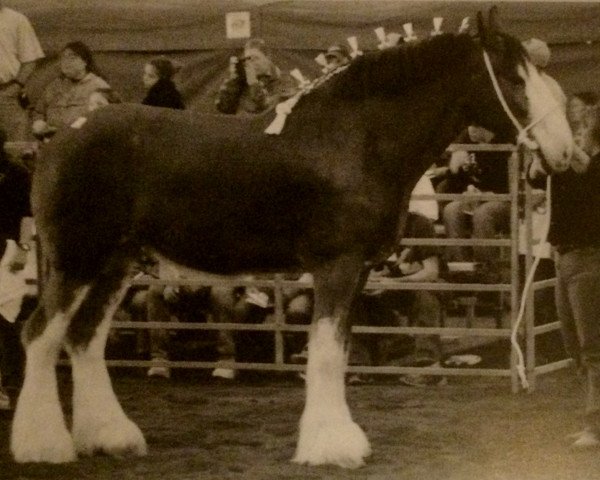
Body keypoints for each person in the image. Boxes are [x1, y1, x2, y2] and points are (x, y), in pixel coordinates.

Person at [528, 93, 600, 448]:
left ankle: (595, 424)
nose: (581, 128)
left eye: (586, 124)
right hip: (565, 257)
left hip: (590, 258)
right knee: (575, 344)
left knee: (592, 346)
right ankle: (593, 420)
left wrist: (557, 142)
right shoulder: (570, 163)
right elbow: (536, 178)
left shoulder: (590, 163)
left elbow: (583, 164)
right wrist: (540, 153)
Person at [442, 126, 510, 279]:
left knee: (483, 214)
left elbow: (509, 185)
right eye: (469, 126)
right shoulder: (466, 141)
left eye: (476, 126)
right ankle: (463, 271)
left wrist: (485, 195)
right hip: (475, 199)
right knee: (451, 209)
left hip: (503, 199)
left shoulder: (503, 143)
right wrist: (454, 170)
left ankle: (487, 272)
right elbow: (453, 186)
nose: (471, 129)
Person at [32, 41, 116, 139]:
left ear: (85, 62)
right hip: (51, 141)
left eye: (72, 58)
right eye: (63, 58)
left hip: (81, 142)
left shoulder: (98, 86)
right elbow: (39, 112)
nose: (66, 62)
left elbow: (105, 121)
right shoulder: (54, 86)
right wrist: (38, 123)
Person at [215, 38, 295, 115]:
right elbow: (225, 108)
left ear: (268, 58)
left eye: (255, 58)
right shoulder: (243, 82)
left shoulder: (285, 79)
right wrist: (233, 80)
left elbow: (268, 110)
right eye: (248, 59)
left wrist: (253, 84)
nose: (251, 63)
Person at [0, 5, 44, 141]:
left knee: (14, 147)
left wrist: (15, 87)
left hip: (7, 94)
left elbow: (30, 60)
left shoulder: (17, 20)